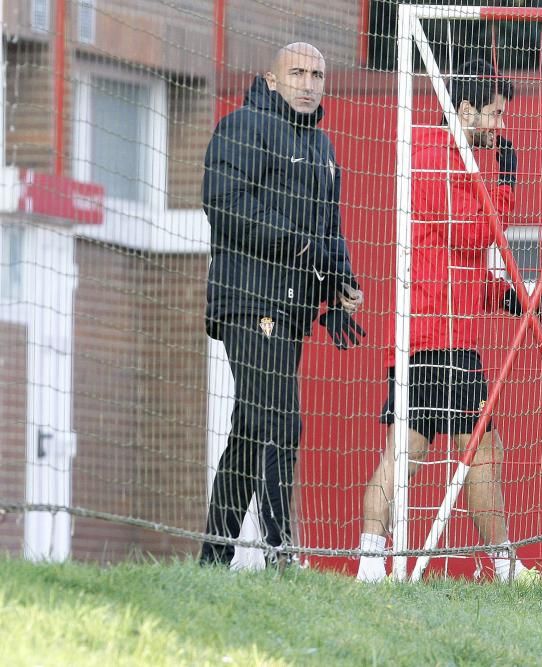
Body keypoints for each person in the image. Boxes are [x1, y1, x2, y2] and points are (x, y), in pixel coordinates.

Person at [355, 60, 542, 585]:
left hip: (450, 335)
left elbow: (458, 261)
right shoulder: (430, 155)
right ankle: (377, 560)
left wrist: (509, 297)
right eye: (493, 114)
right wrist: (509, 184)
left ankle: (493, 564)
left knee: (464, 447)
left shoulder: (461, 163)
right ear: (464, 110)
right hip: (430, 337)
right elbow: (471, 232)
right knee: (419, 452)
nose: (499, 126)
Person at [200, 43, 365, 568]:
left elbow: (329, 230)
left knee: (250, 432)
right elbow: (222, 204)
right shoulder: (242, 125)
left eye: (317, 74)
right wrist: (295, 244)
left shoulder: (322, 146)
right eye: (297, 72)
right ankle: (280, 551)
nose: (309, 82)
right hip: (248, 301)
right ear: (271, 79)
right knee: (280, 420)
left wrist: (340, 289)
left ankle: (211, 561)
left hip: (292, 309)